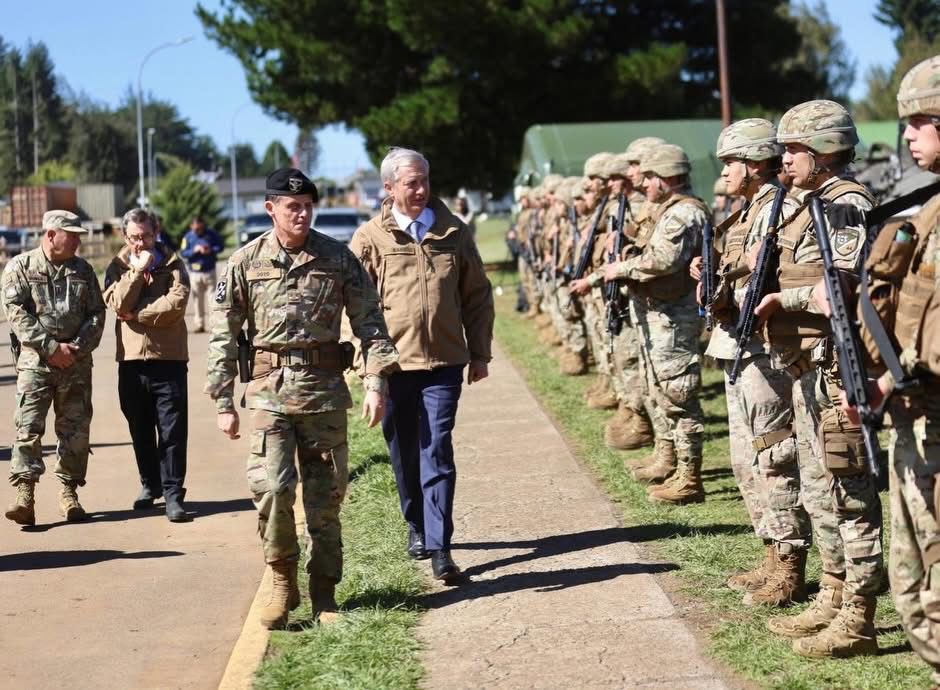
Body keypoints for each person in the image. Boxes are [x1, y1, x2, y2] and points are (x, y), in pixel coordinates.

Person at [205, 167, 399, 629]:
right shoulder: (245, 262)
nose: (302, 214)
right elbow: (223, 336)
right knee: (272, 489)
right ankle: (281, 581)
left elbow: (371, 323)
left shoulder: (337, 257)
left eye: (308, 206)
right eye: (293, 206)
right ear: (270, 208)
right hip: (268, 395)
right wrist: (223, 402)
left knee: (325, 499)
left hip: (324, 395)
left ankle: (324, 593)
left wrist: (376, 382)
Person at [756, 100, 883, 658]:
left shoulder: (847, 204)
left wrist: (783, 300)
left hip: (836, 368)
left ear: (825, 150)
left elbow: (844, 288)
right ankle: (833, 592)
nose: (784, 159)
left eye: (794, 149)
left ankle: (859, 615)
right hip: (807, 364)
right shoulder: (810, 204)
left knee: (851, 491)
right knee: (819, 486)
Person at [350, 147, 495, 584]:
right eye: (411, 183)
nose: (421, 190)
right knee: (404, 452)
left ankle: (440, 546)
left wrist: (480, 353)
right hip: (393, 366)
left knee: (437, 449)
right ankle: (415, 523)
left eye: (425, 181)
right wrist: (368, 369)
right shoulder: (369, 238)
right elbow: (354, 308)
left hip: (445, 362)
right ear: (389, 188)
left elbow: (477, 295)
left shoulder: (454, 231)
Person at [844, 54, 940, 683]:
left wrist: (885, 380)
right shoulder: (927, 209)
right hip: (915, 421)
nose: (907, 135)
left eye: (920, 122)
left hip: (930, 417)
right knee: (913, 589)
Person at [693, 119, 807, 606]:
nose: (724, 172)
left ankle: (790, 562)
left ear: (755, 163)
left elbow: (772, 268)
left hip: (763, 346)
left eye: (730, 162)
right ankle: (770, 551)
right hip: (735, 343)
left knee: (773, 453)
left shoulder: (778, 208)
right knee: (745, 458)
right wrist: (709, 273)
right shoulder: (744, 214)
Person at [597, 144, 710, 503]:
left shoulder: (683, 213)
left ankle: (689, 478)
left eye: (650, 177)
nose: (643, 183)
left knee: (679, 394)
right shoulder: (665, 210)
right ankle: (668, 458)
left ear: (668, 177)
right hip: (657, 312)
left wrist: (621, 268)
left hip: (673, 316)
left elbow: (662, 260)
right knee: (658, 389)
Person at [2, 210, 105, 525]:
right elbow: (15, 312)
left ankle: (68, 494)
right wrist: (50, 348)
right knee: (28, 428)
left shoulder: (83, 270)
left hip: (75, 364)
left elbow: (97, 314)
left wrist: (75, 348)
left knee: (75, 431)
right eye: (71, 235)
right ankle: (25, 496)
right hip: (36, 363)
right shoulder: (21, 267)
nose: (77, 241)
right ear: (50, 235)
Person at [103, 208, 191, 522]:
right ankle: (149, 484)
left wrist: (138, 315)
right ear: (124, 236)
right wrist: (137, 272)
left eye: (146, 236)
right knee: (139, 428)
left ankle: (173, 494)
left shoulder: (174, 265)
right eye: (134, 237)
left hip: (169, 360)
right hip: (131, 363)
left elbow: (176, 305)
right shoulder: (117, 266)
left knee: (172, 431)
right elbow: (118, 303)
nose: (140, 243)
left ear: (156, 232)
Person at [180, 214, 223, 333]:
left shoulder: (211, 234)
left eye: (200, 228)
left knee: (212, 300)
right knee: (197, 300)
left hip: (209, 271)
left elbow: (220, 246)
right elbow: (183, 252)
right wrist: (193, 251)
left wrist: (211, 250)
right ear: (191, 226)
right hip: (195, 273)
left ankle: (213, 324)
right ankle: (200, 324)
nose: (198, 230)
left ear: (203, 225)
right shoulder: (188, 237)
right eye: (195, 228)